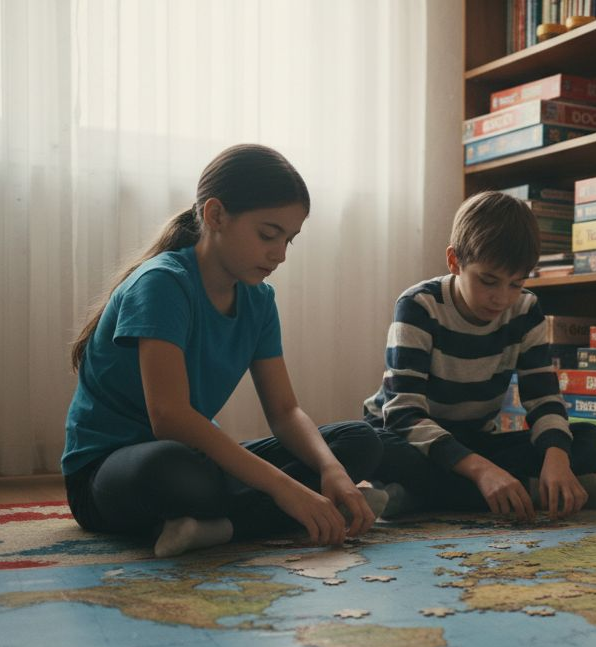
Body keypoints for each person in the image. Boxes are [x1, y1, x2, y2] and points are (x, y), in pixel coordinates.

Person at [62, 144, 384, 558]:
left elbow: (285, 412)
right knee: (174, 472)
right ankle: (262, 515)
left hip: (196, 459)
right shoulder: (162, 284)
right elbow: (170, 418)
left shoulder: (259, 300)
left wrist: (331, 471)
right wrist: (287, 490)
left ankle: (215, 526)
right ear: (215, 216)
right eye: (268, 234)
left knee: (359, 441)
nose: (280, 254)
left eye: (289, 240)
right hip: (110, 475)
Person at [364, 191, 596, 523]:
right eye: (488, 281)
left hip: (476, 441)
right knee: (371, 448)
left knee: (589, 442)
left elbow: (544, 400)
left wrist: (557, 460)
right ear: (455, 262)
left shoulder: (525, 309)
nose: (501, 298)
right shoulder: (419, 306)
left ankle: (412, 497)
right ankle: (531, 492)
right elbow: (403, 414)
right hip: (408, 437)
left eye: (516, 283)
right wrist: (483, 472)